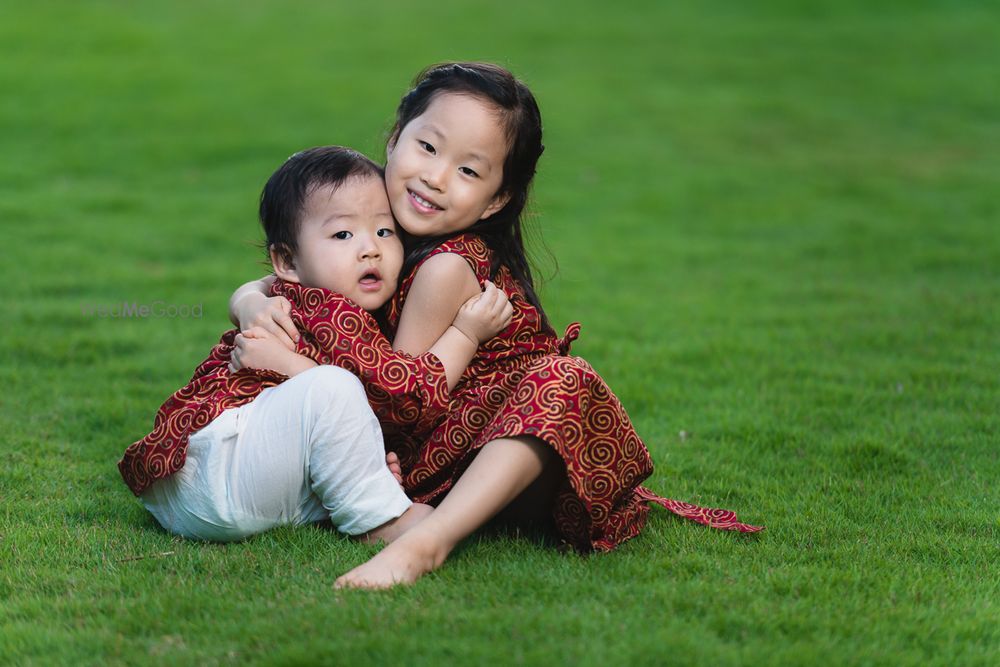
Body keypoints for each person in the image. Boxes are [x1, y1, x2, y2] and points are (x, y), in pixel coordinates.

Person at [231, 63, 761, 589]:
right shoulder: (374, 223)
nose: (435, 178)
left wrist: (289, 365)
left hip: (499, 457)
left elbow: (395, 404)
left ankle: (428, 542)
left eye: (469, 171)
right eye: (428, 148)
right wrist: (250, 298)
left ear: (498, 197)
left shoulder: (445, 268)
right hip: (442, 454)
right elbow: (305, 274)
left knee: (565, 380)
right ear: (394, 139)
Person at [119, 145, 513, 546]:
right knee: (335, 388)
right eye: (343, 234)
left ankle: (355, 492)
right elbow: (401, 396)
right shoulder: (331, 311)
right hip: (215, 471)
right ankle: (379, 522)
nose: (370, 248)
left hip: (196, 488)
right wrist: (465, 334)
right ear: (288, 262)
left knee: (337, 406)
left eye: (384, 231)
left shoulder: (294, 295)